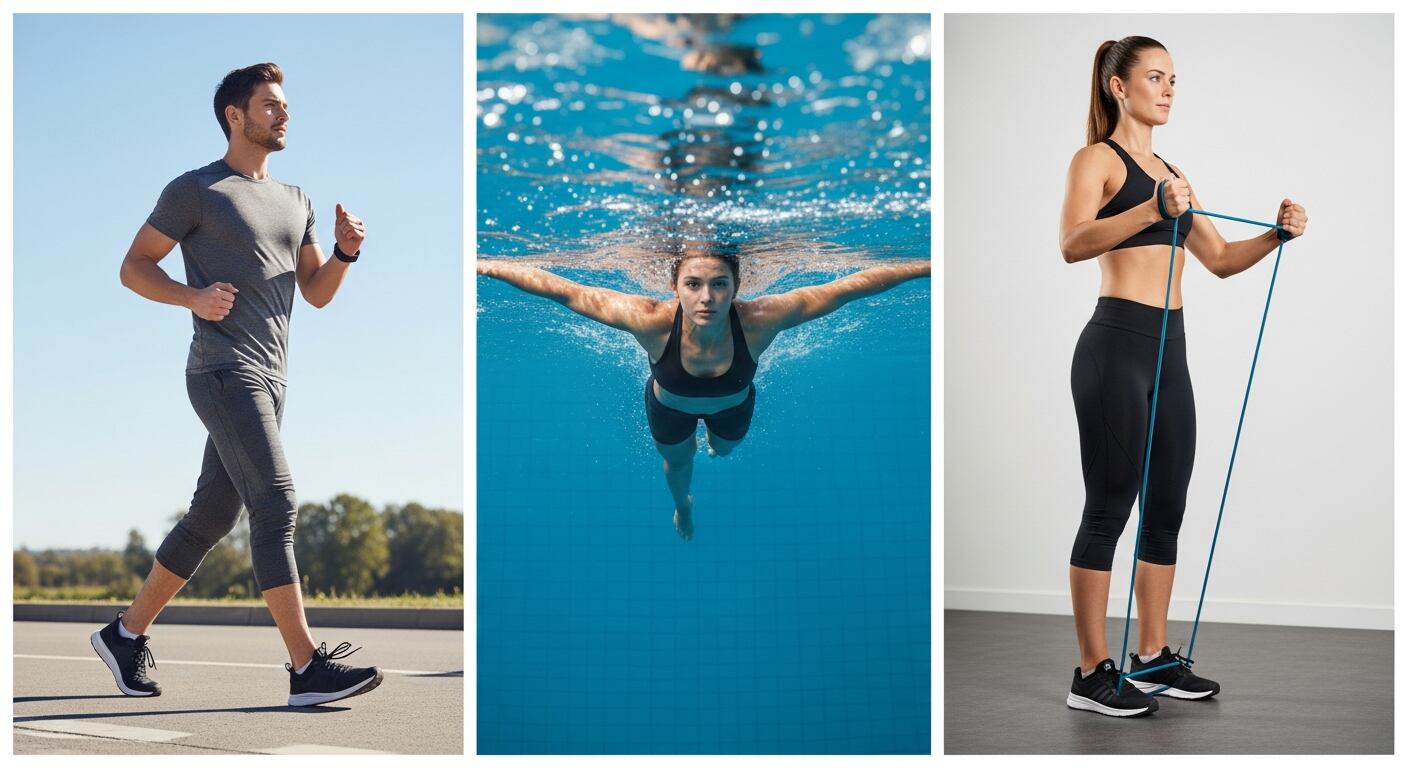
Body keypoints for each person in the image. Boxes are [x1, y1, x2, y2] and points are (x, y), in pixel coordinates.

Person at [94, 63, 382, 707]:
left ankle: (125, 633)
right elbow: (133, 267)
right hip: (223, 371)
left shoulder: (298, 199)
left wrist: (344, 254)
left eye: (285, 107)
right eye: (271, 106)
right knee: (276, 501)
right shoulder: (196, 190)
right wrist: (191, 296)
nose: (284, 116)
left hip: (274, 377)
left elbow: (316, 295)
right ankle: (306, 667)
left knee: (211, 517)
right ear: (236, 116)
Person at [1059, 37, 1307, 717]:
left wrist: (1277, 236)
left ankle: (1153, 658)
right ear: (1118, 86)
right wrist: (1150, 211)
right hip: (1115, 347)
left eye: (1174, 80)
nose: (1168, 90)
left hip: (1172, 354)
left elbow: (1220, 258)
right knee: (1109, 508)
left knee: (1166, 507)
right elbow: (1072, 243)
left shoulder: (1171, 170)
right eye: (1156, 78)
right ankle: (1089, 673)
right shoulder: (1097, 160)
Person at [478, 251, 929, 540]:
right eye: (693, 284)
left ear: (737, 288)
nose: (706, 297)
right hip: (668, 411)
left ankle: (716, 445)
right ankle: (682, 508)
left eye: (719, 284)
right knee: (679, 463)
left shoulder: (760, 318)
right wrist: (489, 265)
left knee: (724, 450)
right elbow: (564, 290)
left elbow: (853, 286)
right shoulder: (651, 319)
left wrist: (927, 265)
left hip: (734, 409)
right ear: (675, 286)